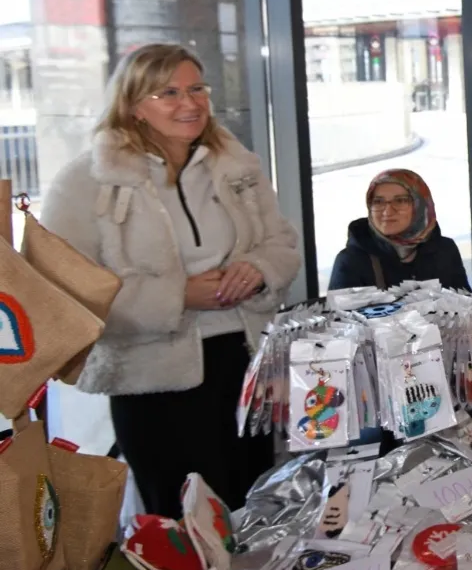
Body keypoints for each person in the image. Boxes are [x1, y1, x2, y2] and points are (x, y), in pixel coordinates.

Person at [40, 44, 300, 518]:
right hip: (152, 382)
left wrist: (259, 268)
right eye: (169, 93)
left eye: (197, 88)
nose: (190, 103)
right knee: (179, 525)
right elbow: (66, 287)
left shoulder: (236, 165)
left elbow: (281, 242)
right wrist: (175, 296)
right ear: (134, 104)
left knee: (253, 510)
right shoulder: (87, 181)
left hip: (243, 366)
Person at [328, 168, 470, 292]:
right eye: (378, 201)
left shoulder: (444, 250)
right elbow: (341, 314)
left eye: (400, 200)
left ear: (420, 206)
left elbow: (468, 305)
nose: (387, 211)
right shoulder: (352, 261)